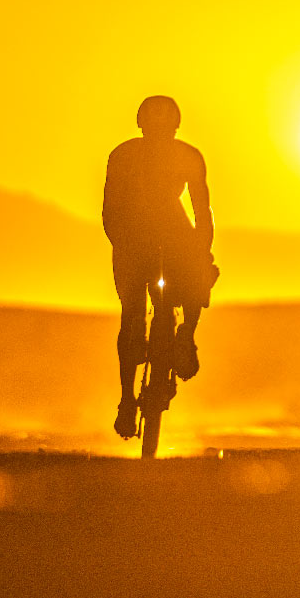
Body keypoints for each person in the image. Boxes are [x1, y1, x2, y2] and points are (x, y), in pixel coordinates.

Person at [104, 95, 217, 438]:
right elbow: (110, 208)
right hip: (132, 235)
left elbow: (202, 209)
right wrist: (122, 244)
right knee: (132, 318)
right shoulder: (122, 155)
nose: (158, 129)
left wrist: (202, 249)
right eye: (152, 122)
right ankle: (126, 399)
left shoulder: (189, 156)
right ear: (140, 123)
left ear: (176, 125)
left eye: (165, 123)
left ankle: (186, 336)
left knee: (198, 277)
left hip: (174, 230)